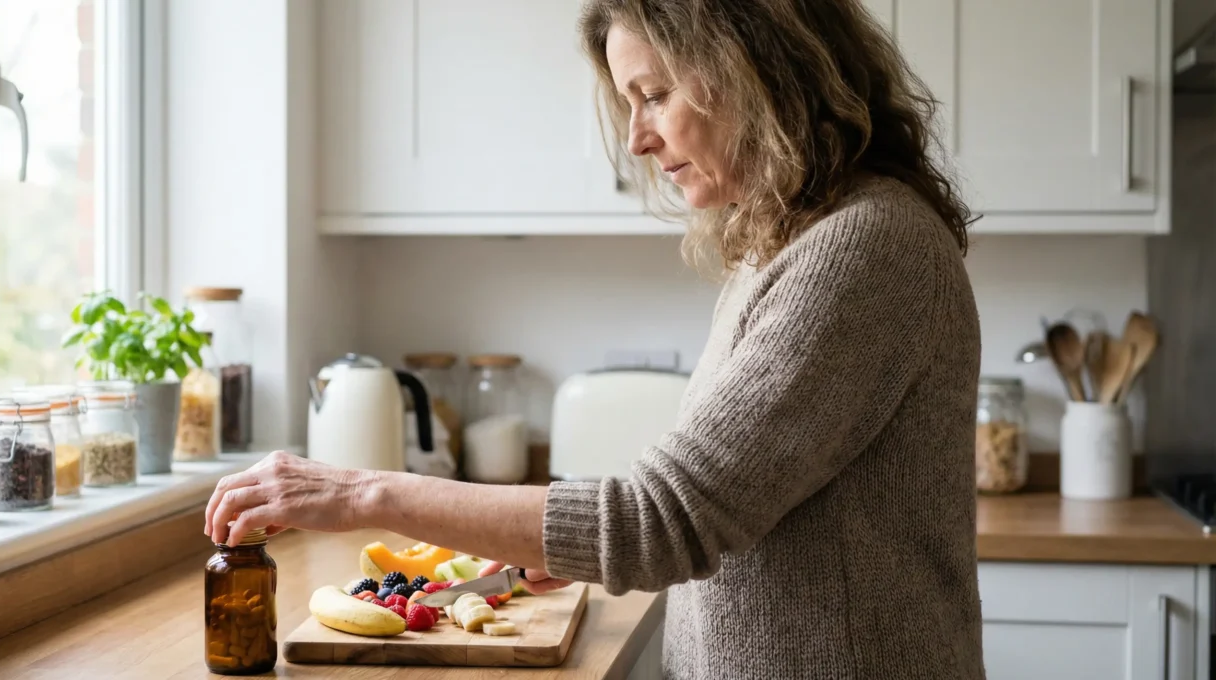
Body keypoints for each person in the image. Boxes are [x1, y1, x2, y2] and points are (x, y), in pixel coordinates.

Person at [205, 0, 986, 677]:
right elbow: (719, 508)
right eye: (630, 102)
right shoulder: (788, 245)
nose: (639, 138)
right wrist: (552, 541)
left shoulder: (866, 248)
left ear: (758, 68)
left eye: (655, 94)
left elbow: (664, 522)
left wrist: (359, 492)